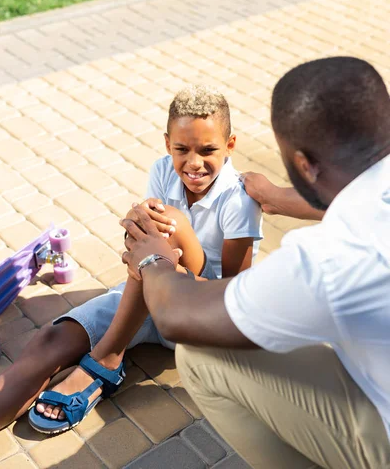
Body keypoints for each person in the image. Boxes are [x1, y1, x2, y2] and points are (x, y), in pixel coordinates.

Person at [121, 57, 390, 469]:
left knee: (201, 356)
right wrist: (284, 198)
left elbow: (179, 316)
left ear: (302, 163)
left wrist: (153, 257)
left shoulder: (329, 260)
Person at [0, 85, 263, 436]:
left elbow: (234, 296)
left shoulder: (238, 200)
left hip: (203, 314)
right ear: (168, 145)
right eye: (182, 149)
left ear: (230, 145)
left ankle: (107, 358)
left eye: (208, 150)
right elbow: (146, 241)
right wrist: (136, 236)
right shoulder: (163, 170)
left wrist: (156, 261)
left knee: (166, 224)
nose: (194, 163)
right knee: (50, 342)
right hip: (149, 291)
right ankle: (101, 357)